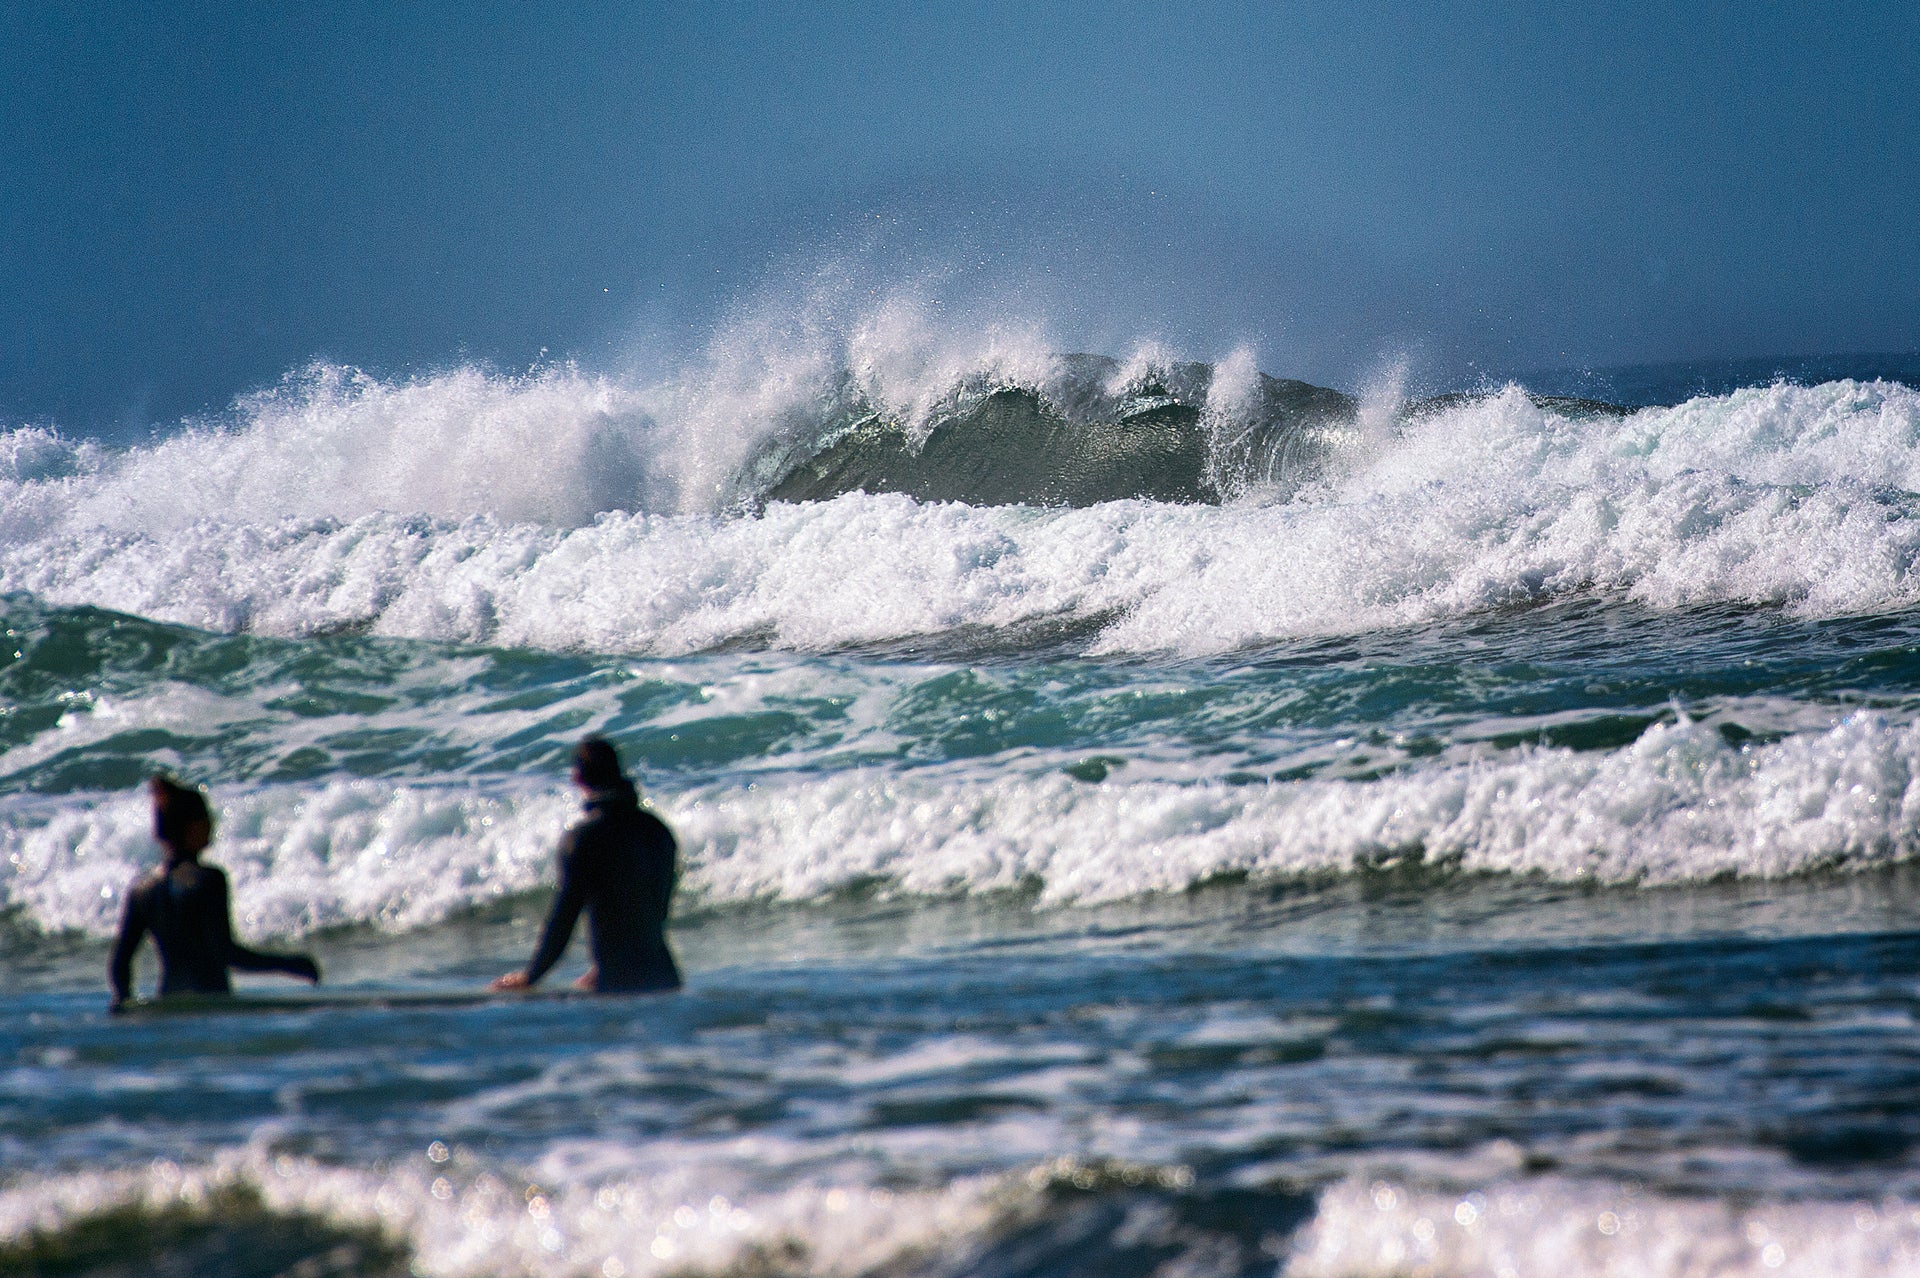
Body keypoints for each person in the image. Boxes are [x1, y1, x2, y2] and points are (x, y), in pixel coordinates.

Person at [109, 776, 321, 1011]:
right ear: (192, 826)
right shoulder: (208, 879)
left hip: (169, 1007)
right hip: (212, 1006)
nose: (212, 823)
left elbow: (120, 964)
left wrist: (124, 1005)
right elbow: (226, 953)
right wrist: (290, 964)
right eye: (206, 817)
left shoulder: (142, 889)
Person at [491, 736, 682, 995]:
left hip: (618, 984)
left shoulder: (584, 839)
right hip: (665, 977)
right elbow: (655, 912)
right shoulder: (657, 830)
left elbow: (565, 916)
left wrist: (531, 976)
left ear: (578, 778)